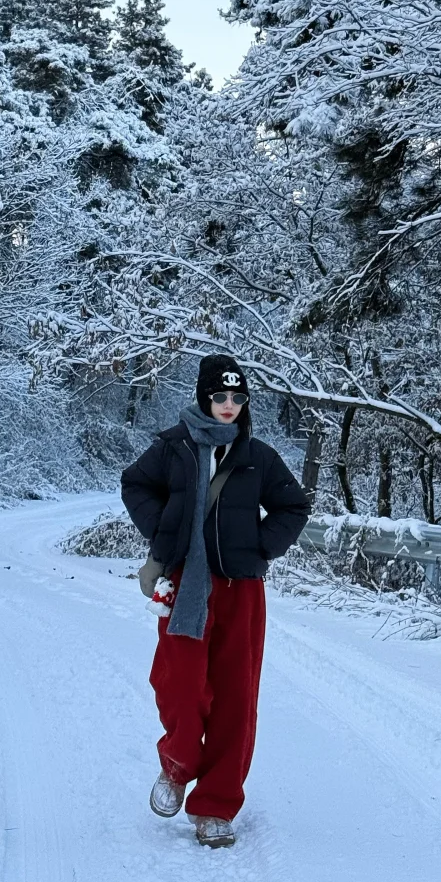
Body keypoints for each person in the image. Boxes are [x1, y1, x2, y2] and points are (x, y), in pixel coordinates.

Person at [120, 354, 310, 848]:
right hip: (186, 584)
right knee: (178, 684)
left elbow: (293, 507)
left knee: (235, 698)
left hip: (241, 591)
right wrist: (164, 531)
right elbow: (134, 484)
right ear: (205, 397)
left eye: (237, 397)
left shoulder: (258, 456)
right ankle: (177, 765)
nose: (229, 404)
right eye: (220, 396)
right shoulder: (174, 447)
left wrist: (259, 547)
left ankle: (215, 805)